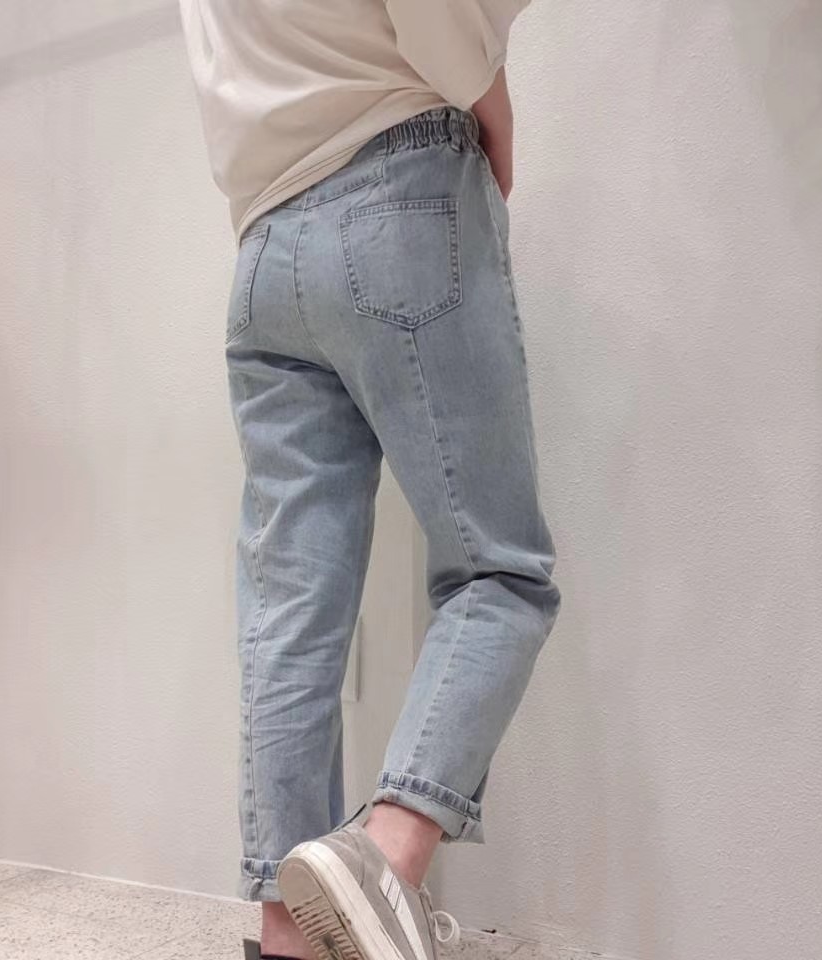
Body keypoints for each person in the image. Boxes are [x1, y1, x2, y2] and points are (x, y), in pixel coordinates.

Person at [176, 3, 561, 959]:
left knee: (291, 610)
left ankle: (289, 931)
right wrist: (497, 106)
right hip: (396, 180)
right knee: (497, 572)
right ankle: (383, 858)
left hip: (263, 250)